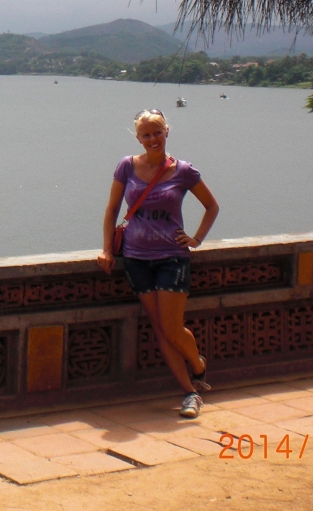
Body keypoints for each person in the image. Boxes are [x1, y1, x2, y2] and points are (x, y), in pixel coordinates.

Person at [98, 108, 219, 418]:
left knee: (172, 328)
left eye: (157, 132)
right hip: (136, 258)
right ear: (138, 138)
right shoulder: (127, 166)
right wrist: (107, 251)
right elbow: (112, 209)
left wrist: (196, 238)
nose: (153, 139)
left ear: (167, 132)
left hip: (171, 258)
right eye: (146, 135)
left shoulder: (184, 171)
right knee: (160, 329)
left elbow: (211, 206)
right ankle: (190, 392)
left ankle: (197, 364)